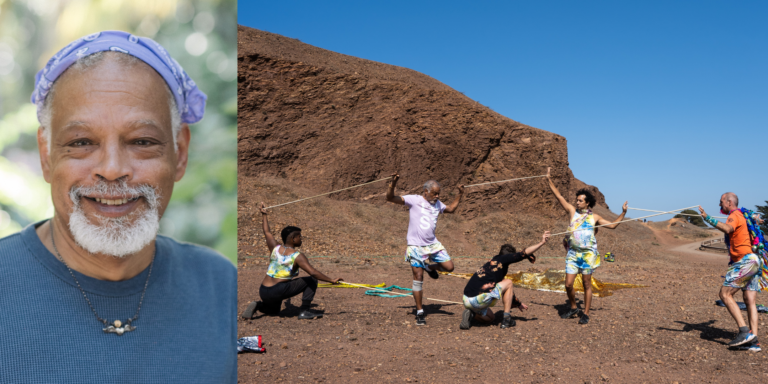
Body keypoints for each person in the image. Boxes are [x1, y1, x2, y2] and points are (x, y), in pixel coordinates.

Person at [0, 31, 236, 382]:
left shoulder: (223, 289)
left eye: (142, 141)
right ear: (47, 155)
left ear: (180, 152)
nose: (111, 169)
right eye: (81, 142)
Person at [545, 167, 628, 325]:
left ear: (587, 203)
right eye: (576, 200)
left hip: (587, 255)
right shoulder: (572, 211)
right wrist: (548, 179)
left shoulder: (594, 217)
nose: (577, 202)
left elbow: (612, 226)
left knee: (586, 283)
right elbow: (558, 196)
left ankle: (586, 313)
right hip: (573, 254)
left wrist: (622, 213)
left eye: (580, 200)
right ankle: (574, 307)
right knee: (568, 284)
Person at [241, 202, 343, 319]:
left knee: (274, 311)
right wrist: (331, 280)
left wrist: (264, 215)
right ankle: (304, 311)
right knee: (312, 280)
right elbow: (313, 273)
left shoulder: (275, 247)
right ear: (293, 239)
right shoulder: (297, 256)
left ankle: (258, 305)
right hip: (278, 290)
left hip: (264, 290)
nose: (301, 238)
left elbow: (267, 232)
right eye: (300, 236)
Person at [386, 173, 464, 325]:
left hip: (432, 244)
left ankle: (429, 267)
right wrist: (393, 183)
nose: (437, 195)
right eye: (434, 193)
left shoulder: (437, 203)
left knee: (449, 267)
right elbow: (390, 198)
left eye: (438, 193)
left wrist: (460, 194)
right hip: (415, 246)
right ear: (425, 192)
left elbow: (451, 209)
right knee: (418, 277)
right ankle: (420, 311)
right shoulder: (414, 200)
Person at [699, 192, 763, 351]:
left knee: (725, 294)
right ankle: (753, 342)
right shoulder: (743, 215)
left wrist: (708, 218)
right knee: (750, 301)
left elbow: (728, 229)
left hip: (744, 262)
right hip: (754, 261)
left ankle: (743, 332)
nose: (720, 205)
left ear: (729, 202)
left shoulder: (734, 215)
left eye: (721, 202)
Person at [460, 231, 550, 330]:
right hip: (478, 299)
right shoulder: (503, 259)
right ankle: (507, 319)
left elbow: (507, 290)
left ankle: (471, 314)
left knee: (490, 318)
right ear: (509, 256)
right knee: (509, 282)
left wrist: (518, 304)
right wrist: (542, 243)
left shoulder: (493, 264)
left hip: (466, 300)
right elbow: (522, 254)